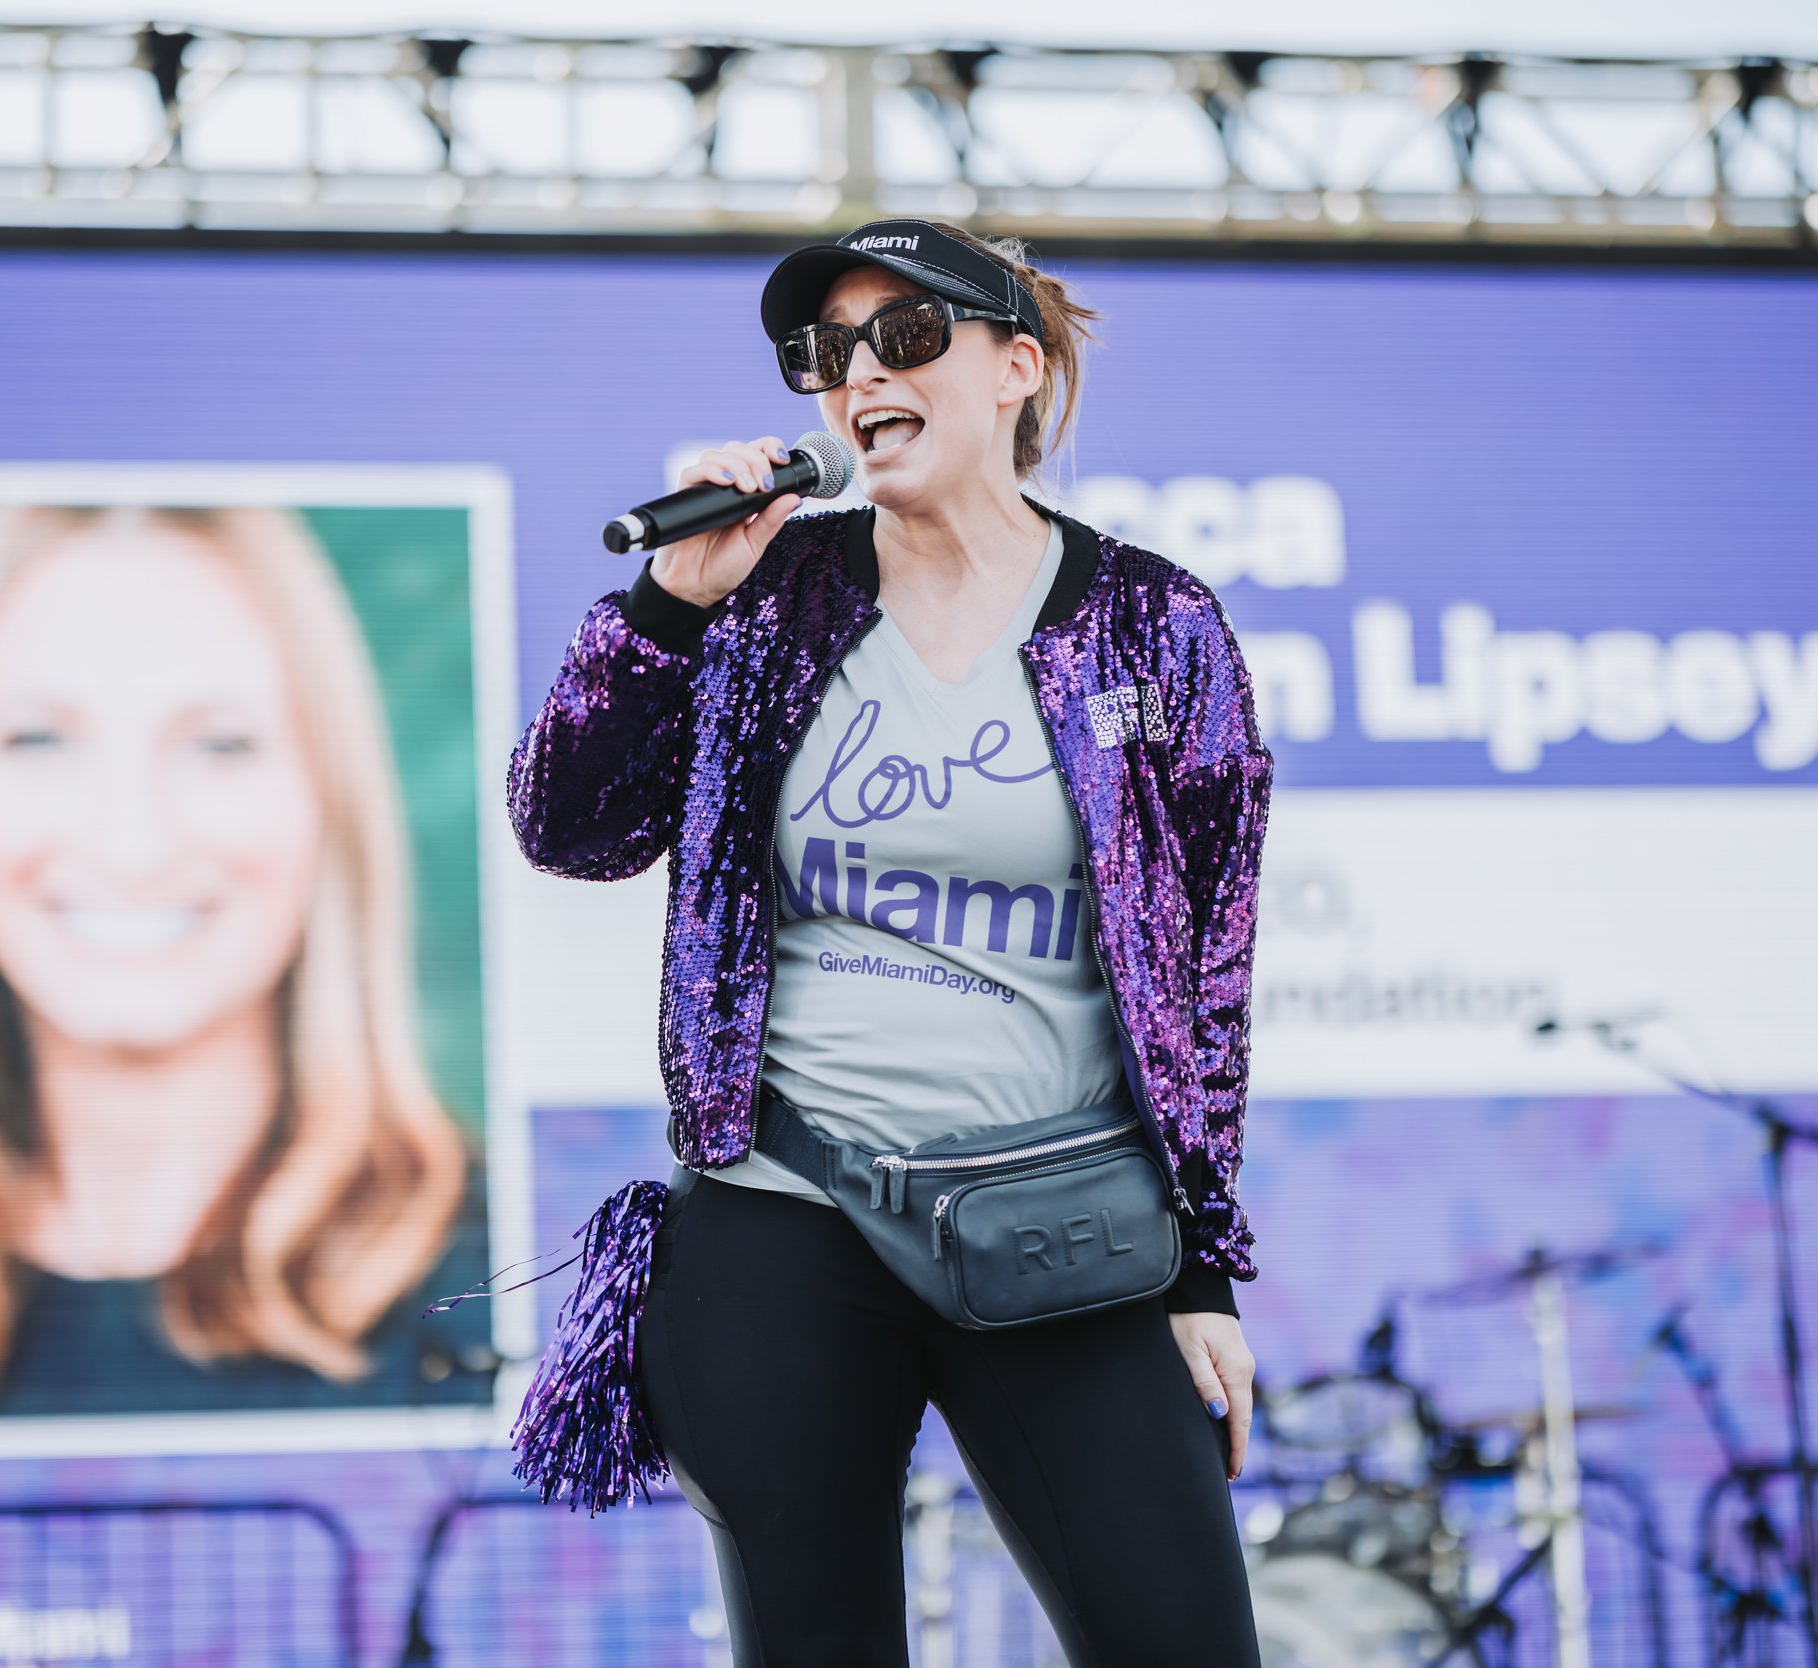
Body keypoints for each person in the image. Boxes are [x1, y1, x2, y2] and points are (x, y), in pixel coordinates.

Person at [508, 221, 1274, 1664]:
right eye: (825, 352)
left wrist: (1200, 1269)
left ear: (1015, 371)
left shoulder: (1152, 624)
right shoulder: (768, 598)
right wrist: (668, 616)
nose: (858, 374)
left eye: (905, 337)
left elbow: (1207, 972)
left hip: (1061, 1232)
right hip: (786, 1219)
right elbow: (571, 828)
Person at [0, 504, 475, 1419]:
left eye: (220, 743)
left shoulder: (513, 1279)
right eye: (39, 739)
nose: (133, 843)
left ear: (326, 801)